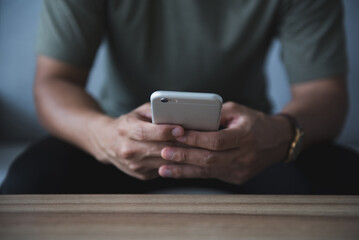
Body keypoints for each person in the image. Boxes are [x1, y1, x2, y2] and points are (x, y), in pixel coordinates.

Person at [1, 0, 358, 194]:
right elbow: (54, 82)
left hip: (251, 146)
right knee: (27, 184)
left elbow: (324, 94)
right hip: (118, 141)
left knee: (346, 179)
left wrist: (279, 135)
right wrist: (104, 136)